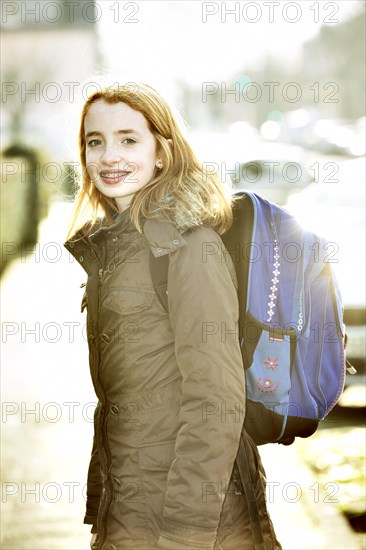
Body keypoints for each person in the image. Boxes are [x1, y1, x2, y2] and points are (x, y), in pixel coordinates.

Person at [64, 82, 281, 550]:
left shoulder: (188, 247)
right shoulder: (117, 246)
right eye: (94, 141)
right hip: (130, 510)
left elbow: (216, 402)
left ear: (161, 152)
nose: (108, 156)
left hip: (194, 522)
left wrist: (184, 535)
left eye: (128, 139)